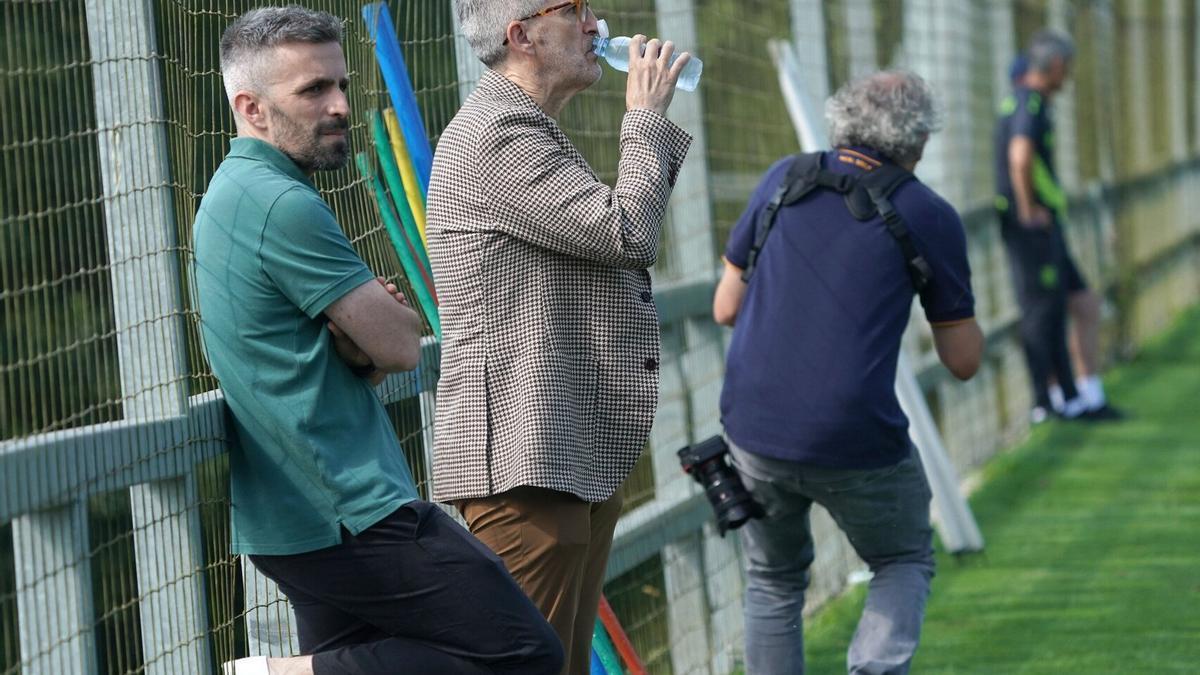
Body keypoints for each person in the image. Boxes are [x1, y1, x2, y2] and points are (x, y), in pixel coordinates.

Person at [194, 7, 562, 675]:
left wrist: (354, 344)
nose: (338, 105)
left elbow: (352, 351)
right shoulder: (281, 204)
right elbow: (398, 343)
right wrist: (371, 334)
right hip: (349, 508)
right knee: (524, 653)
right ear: (250, 107)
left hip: (301, 514)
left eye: (339, 83)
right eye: (312, 91)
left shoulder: (239, 191)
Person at [427, 1, 693, 672]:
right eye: (570, 7)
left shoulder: (528, 128)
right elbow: (625, 232)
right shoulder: (499, 133)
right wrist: (646, 120)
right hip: (523, 465)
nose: (594, 20)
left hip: (561, 453)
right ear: (521, 36)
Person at [713, 71, 984, 674]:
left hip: (752, 427)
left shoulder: (783, 178)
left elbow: (724, 307)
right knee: (902, 559)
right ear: (918, 141)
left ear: (841, 123)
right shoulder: (925, 212)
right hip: (855, 436)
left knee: (774, 579)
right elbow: (962, 362)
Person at [995, 31, 1122, 422]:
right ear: (1053, 66)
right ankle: (1049, 400)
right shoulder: (1027, 103)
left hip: (1044, 227)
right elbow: (1019, 157)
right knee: (1042, 313)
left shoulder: (1029, 102)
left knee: (1084, 304)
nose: (1067, 76)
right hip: (1032, 229)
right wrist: (1029, 209)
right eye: (1065, 68)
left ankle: (1086, 395)